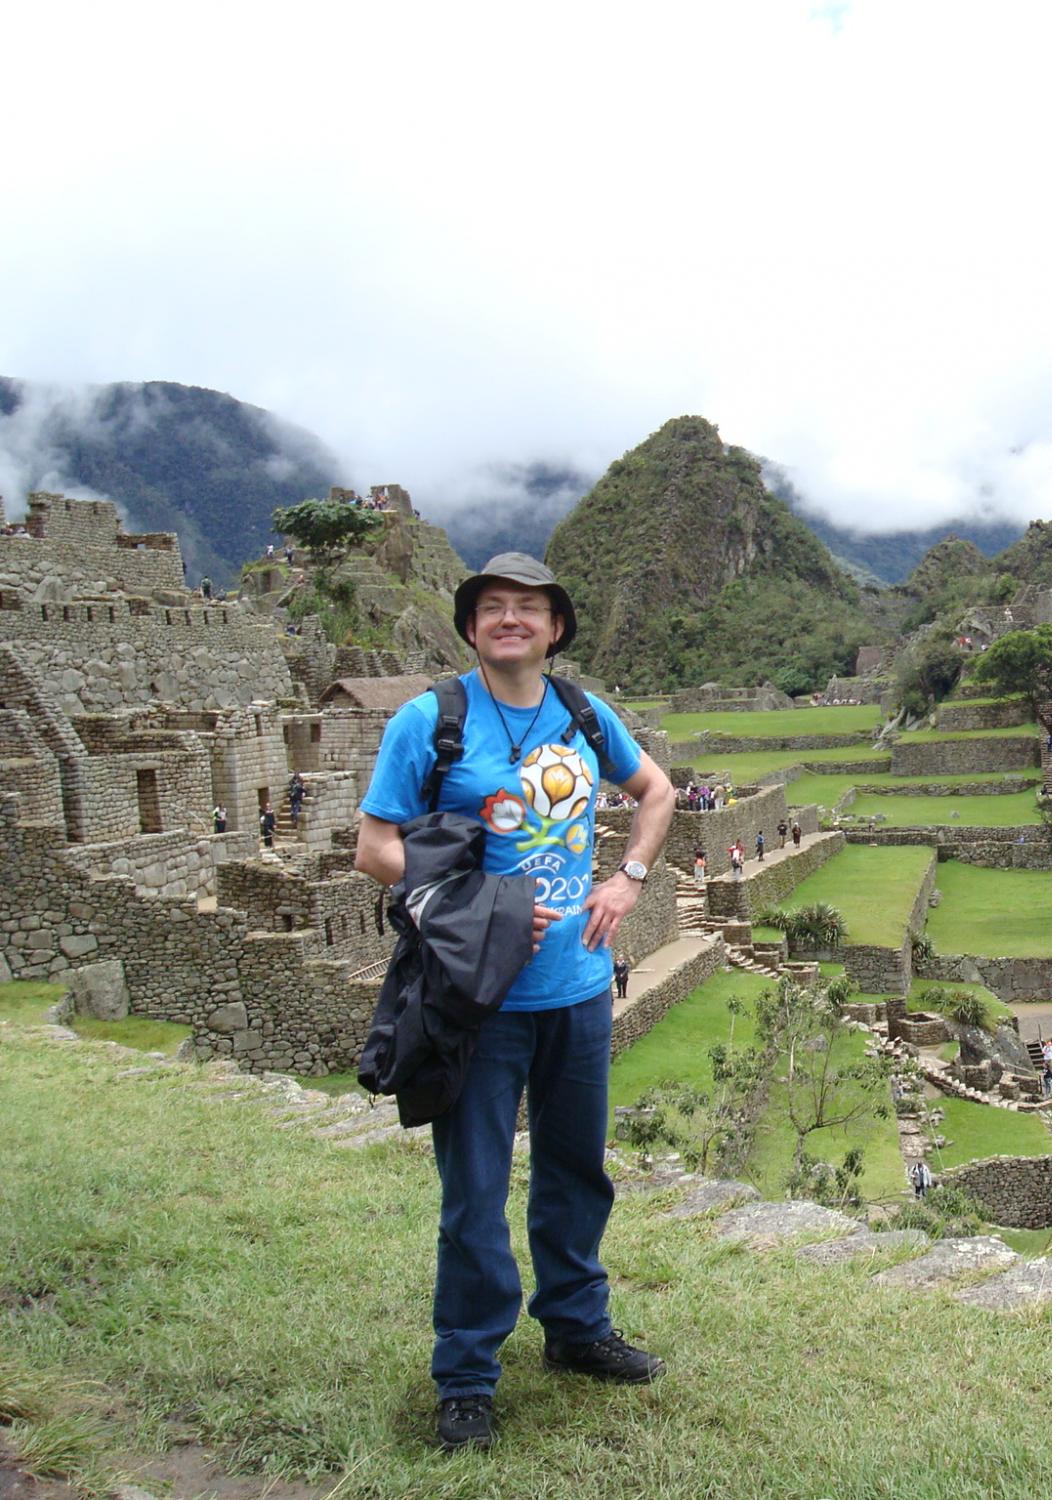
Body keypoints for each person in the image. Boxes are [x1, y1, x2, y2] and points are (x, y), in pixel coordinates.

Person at [354, 552, 675, 1452]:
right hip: (478, 998)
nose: (510, 620)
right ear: (471, 627)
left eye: (527, 609)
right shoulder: (432, 722)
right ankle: (466, 1374)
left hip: (575, 991)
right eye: (492, 608)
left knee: (577, 1172)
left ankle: (577, 1328)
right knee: (475, 1192)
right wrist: (479, 905)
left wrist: (629, 879)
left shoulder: (583, 713)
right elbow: (375, 847)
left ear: (554, 627)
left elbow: (656, 792)